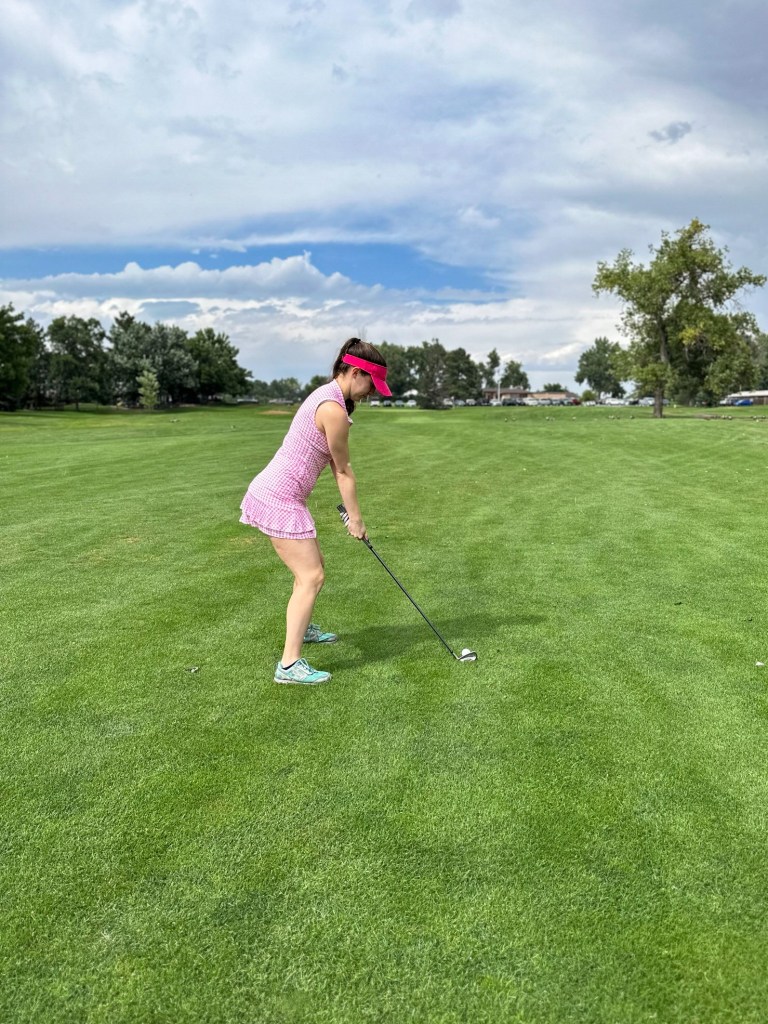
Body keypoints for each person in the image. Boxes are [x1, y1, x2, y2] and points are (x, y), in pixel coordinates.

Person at [239, 338, 391, 685]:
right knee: (312, 577)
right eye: (370, 383)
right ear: (354, 372)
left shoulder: (329, 395)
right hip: (279, 497)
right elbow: (343, 471)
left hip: (281, 494)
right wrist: (356, 519)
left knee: (312, 570)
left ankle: (303, 628)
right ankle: (289, 666)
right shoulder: (333, 409)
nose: (371, 393)